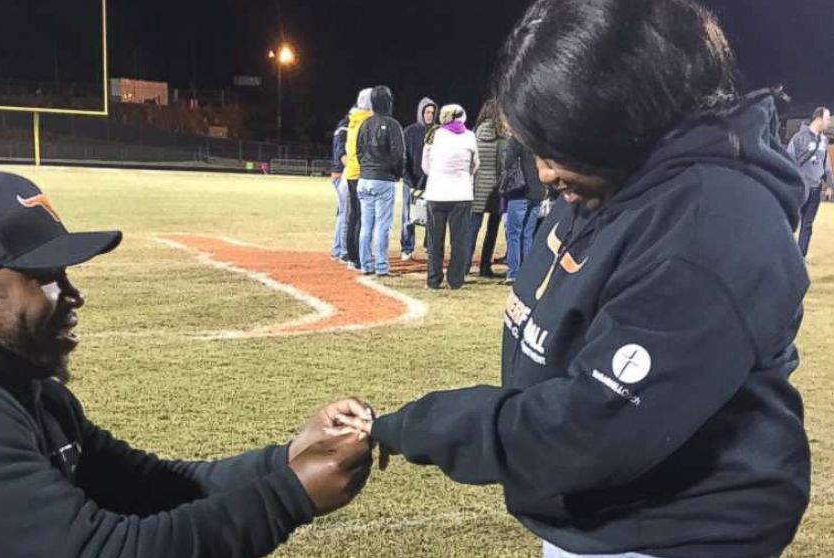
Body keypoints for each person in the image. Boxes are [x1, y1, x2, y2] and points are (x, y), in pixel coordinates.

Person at [340, 1, 811, 556]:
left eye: (559, 146)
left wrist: (415, 425)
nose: (543, 171)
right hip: (602, 514)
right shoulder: (614, 175)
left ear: (625, 115)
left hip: (673, 534)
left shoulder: (713, 228)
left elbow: (589, 431)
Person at [0, 171, 374, 558]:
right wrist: (289, 494)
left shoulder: (13, 380)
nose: (72, 294)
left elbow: (151, 487)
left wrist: (287, 458)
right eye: (44, 276)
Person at [422, 104, 479, 290]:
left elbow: (425, 166)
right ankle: (456, 280)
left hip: (436, 193)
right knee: (459, 239)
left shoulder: (434, 134)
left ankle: (433, 278)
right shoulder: (470, 136)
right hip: (461, 193)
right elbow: (474, 165)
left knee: (434, 239)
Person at [355, 86, 406, 276]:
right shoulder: (392, 124)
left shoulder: (365, 124)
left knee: (366, 224)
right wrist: (396, 173)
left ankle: (366, 264)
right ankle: (382, 266)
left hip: (364, 179)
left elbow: (358, 151)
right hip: (383, 179)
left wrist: (366, 169)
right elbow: (398, 154)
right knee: (382, 225)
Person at [468, 99, 511, 278]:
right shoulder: (502, 135)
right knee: (492, 229)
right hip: (495, 188)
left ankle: (464, 265)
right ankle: (485, 266)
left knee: (472, 228)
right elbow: (503, 162)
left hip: (478, 186)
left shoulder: (475, 133)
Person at [787, 106, 833, 257]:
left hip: (815, 189)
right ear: (818, 119)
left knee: (807, 225)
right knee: (791, 223)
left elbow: (826, 164)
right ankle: (787, 255)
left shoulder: (824, 140)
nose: (829, 123)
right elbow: (789, 161)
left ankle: (801, 256)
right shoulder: (798, 138)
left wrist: (829, 185)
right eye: (827, 119)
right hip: (800, 188)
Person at [502, 138, 548, 284]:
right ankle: (526, 273)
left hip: (520, 191)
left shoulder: (517, 139)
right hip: (538, 191)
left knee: (514, 234)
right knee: (528, 235)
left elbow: (508, 162)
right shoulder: (539, 139)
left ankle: (513, 273)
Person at [401, 97, 438, 260]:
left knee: (432, 216)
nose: (429, 115)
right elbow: (403, 159)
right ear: (421, 112)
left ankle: (429, 246)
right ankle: (407, 248)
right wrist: (408, 180)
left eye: (432, 112)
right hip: (411, 183)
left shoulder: (439, 133)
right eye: (427, 112)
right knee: (408, 216)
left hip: (432, 183)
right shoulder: (409, 132)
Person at [344, 88, 374, 270]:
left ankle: (351, 256)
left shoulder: (353, 120)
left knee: (353, 216)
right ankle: (361, 257)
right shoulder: (368, 121)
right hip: (364, 172)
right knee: (364, 217)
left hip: (351, 172)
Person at [330, 114, 350, 262]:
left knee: (342, 212)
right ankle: (340, 250)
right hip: (342, 175)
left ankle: (337, 249)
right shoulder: (345, 130)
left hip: (338, 174)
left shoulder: (340, 128)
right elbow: (341, 154)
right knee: (345, 213)